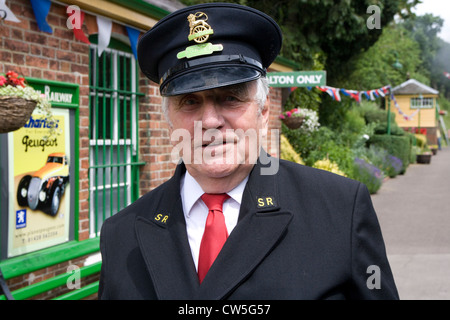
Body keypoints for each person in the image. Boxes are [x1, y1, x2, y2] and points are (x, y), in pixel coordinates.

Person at [98, 3, 399, 300]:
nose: (211, 121)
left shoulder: (339, 211)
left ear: (264, 110)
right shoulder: (121, 235)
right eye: (190, 102)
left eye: (230, 97)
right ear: (168, 118)